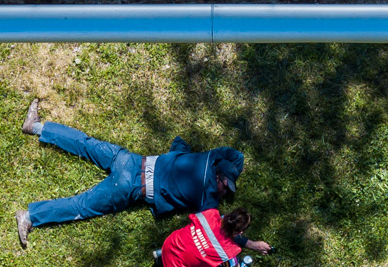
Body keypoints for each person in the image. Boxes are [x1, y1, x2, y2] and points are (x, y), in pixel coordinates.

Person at [14, 99, 245, 248]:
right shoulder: (208, 197)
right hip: (128, 187)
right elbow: (216, 228)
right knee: (81, 206)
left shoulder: (206, 158)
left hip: (129, 160)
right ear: (218, 177)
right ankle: (30, 217)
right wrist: (246, 241)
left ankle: (36, 127)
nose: (225, 192)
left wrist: (227, 167)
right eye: (226, 186)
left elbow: (236, 155)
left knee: (86, 143)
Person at [156, 206, 272, 267]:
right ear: (239, 233)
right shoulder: (228, 255)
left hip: (168, 248)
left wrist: (251, 244)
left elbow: (220, 232)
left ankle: (160, 256)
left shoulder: (210, 213)